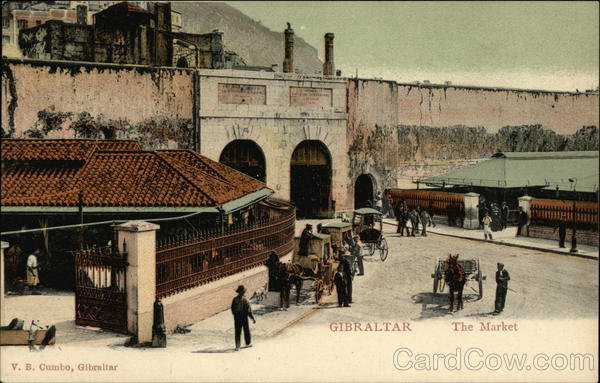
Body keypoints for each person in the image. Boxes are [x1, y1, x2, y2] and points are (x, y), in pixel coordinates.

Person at [231, 285, 256, 351]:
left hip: (237, 318)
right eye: (244, 292)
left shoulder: (235, 299)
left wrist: (235, 315)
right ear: (243, 292)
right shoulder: (245, 300)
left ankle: (237, 346)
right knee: (246, 330)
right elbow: (249, 310)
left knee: (238, 332)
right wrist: (252, 318)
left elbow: (232, 309)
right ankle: (247, 344)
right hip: (244, 317)